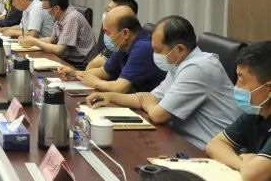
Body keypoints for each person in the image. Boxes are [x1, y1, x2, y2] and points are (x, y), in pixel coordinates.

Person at [86, 15, 240, 149]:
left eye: (158, 51)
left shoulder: (197, 68)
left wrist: (149, 104)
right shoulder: (179, 63)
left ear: (179, 49)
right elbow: (147, 98)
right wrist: (109, 97)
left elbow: (158, 115)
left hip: (207, 151)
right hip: (181, 141)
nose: (154, 55)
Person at [57, 5, 165, 93]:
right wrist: (75, 74)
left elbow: (120, 88)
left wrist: (95, 82)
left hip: (148, 107)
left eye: (107, 32)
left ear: (125, 33)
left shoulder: (142, 48)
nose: (105, 36)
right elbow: (104, 72)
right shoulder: (122, 44)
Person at [206, 41, 271, 180]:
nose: (236, 86)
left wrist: (250, 165)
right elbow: (215, 144)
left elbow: (253, 175)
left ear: (269, 88)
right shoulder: (256, 111)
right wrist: (243, 163)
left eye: (242, 80)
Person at [20, 0, 97, 68]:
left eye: (45, 8)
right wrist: (29, 40)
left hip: (80, 64)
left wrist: (35, 42)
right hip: (67, 59)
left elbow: (59, 50)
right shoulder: (59, 15)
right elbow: (52, 39)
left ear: (56, 8)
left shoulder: (71, 18)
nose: (44, 11)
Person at [86, 0, 140, 70]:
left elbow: (96, 65)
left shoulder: (129, 44)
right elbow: (97, 66)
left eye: (109, 11)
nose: (105, 14)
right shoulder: (112, 31)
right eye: (106, 10)